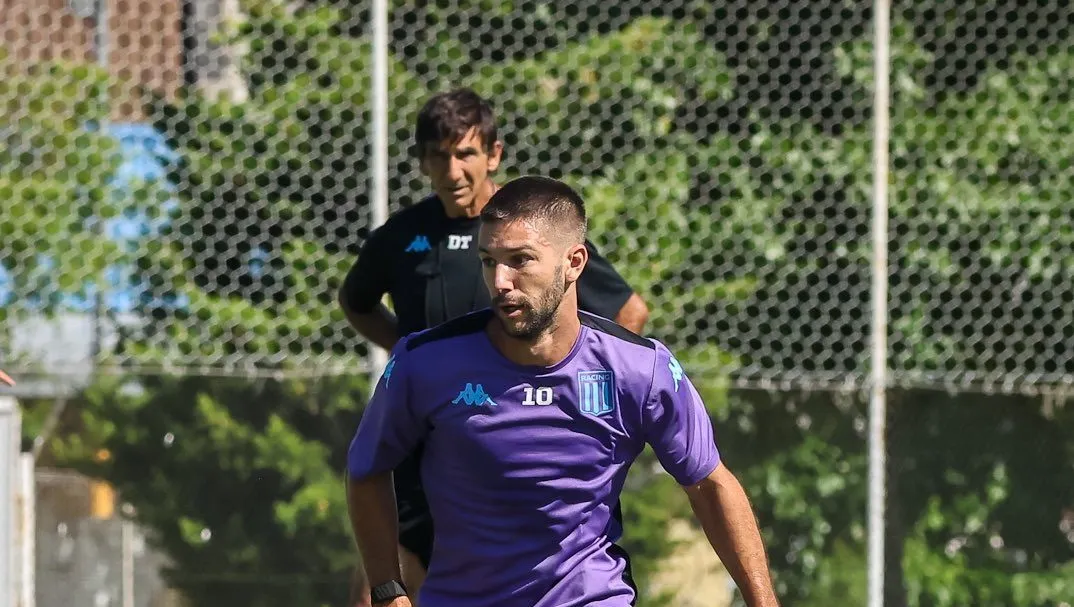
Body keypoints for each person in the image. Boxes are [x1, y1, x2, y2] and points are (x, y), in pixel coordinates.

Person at [346, 176, 779, 607]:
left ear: (574, 262)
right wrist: (388, 591)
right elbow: (367, 470)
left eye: (520, 260)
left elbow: (710, 485)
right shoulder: (425, 363)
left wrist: (763, 601)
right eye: (488, 260)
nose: (499, 281)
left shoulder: (639, 369)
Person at [339, 88, 649, 605]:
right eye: (440, 155)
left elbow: (629, 313)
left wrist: (580, 399)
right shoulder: (403, 237)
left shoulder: (532, 234)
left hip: (514, 442)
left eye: (465, 153)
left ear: (493, 155)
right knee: (385, 580)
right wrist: (408, 353)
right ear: (422, 162)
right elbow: (356, 301)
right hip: (432, 440)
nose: (453, 169)